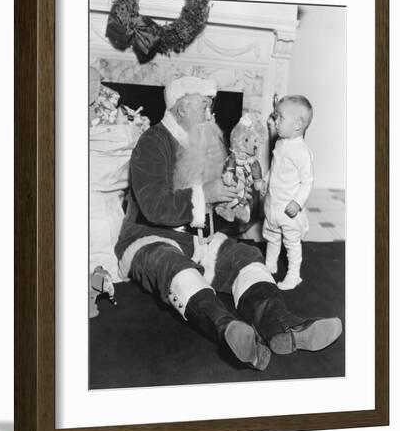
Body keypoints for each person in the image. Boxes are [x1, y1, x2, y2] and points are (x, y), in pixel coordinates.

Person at [115, 77, 342, 371]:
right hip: (150, 237)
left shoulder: (208, 141)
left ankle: (283, 327)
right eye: (204, 107)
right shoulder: (153, 143)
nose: (211, 115)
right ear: (181, 108)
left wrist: (230, 204)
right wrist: (206, 194)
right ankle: (229, 330)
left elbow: (212, 206)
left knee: (247, 257)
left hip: (200, 239)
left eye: (212, 107)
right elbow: (153, 207)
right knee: (170, 265)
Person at [260, 95, 314, 290]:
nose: (276, 121)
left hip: (288, 209)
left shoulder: (301, 151)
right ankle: (270, 265)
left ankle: (293, 275)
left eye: (280, 117)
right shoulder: (281, 143)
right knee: (272, 235)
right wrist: (265, 181)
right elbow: (275, 169)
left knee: (291, 243)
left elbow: (307, 181)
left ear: (298, 125)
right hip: (273, 204)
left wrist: (297, 203)